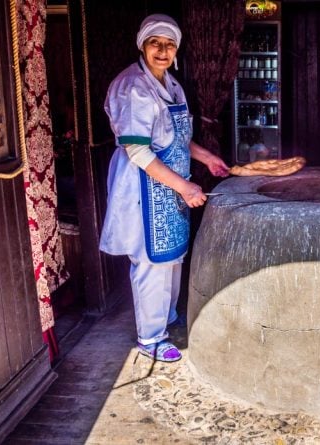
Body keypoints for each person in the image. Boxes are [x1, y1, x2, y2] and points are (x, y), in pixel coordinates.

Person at [99, 14, 229, 362]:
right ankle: (151, 338)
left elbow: (179, 138)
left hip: (171, 186)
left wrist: (207, 159)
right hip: (145, 184)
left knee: (172, 257)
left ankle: (167, 317)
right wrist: (185, 186)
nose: (163, 50)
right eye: (156, 42)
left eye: (169, 44)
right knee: (151, 263)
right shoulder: (133, 87)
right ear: (142, 44)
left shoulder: (171, 84)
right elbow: (138, 150)